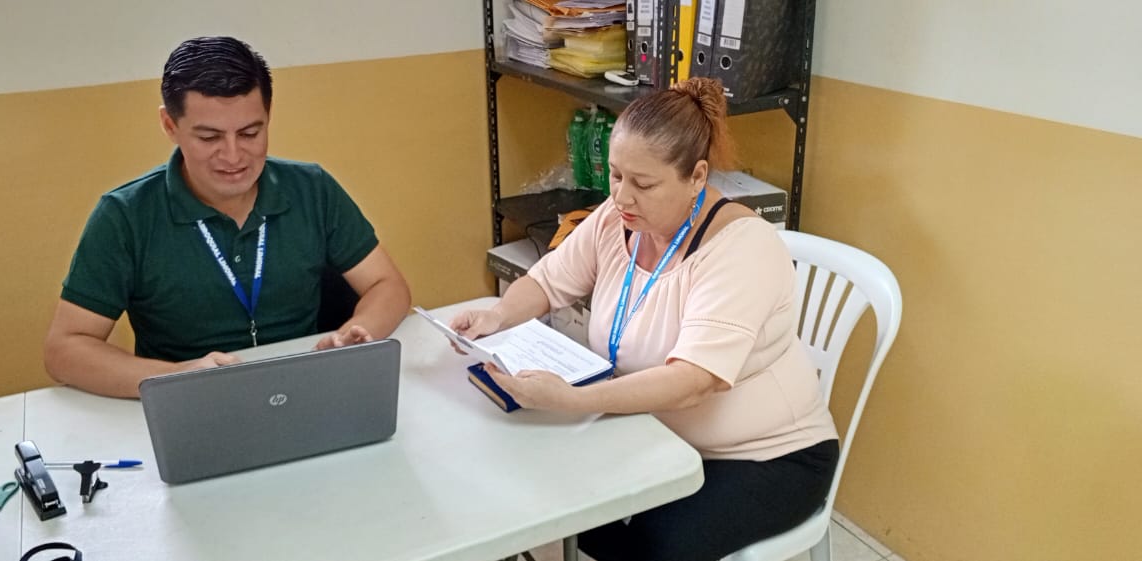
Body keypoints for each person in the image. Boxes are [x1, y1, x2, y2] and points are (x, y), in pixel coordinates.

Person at [449, 77, 839, 560]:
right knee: (544, 497)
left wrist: (572, 399)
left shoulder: (742, 249)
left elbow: (693, 382)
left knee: (651, 546)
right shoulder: (618, 219)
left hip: (765, 456)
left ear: (697, 176)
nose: (622, 197)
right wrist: (497, 317)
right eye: (615, 176)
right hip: (654, 430)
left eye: (644, 184)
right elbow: (547, 282)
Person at [45, 36, 410, 398]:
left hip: (306, 387)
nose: (233, 156)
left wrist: (352, 338)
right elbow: (65, 350)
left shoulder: (312, 188)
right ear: (170, 125)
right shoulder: (125, 216)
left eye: (250, 133)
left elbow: (387, 285)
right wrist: (177, 376)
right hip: (192, 401)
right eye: (209, 137)